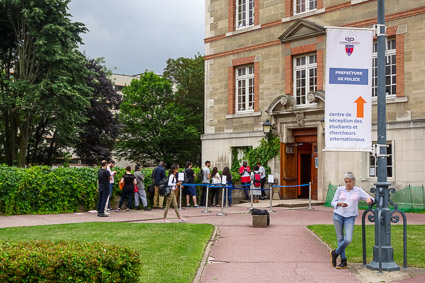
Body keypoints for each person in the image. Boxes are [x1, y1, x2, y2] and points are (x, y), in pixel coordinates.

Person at [330, 172, 374, 269]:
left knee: (348, 239)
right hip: (338, 215)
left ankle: (335, 252)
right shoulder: (340, 189)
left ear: (353, 181)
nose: (348, 183)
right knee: (340, 238)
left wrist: (369, 200)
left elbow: (370, 197)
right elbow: (333, 202)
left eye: (349, 181)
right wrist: (339, 204)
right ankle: (343, 260)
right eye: (346, 182)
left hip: (350, 217)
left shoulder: (358, 191)